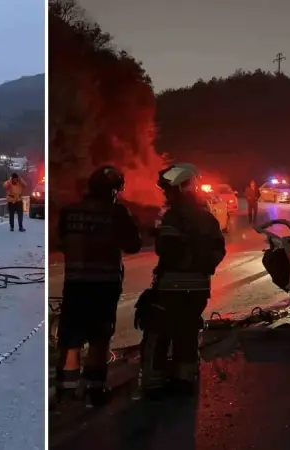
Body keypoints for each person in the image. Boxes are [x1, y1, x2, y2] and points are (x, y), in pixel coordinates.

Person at [134, 163, 226, 400]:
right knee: (187, 333)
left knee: (159, 331)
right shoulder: (207, 218)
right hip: (199, 288)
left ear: (180, 188)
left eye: (168, 190)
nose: (166, 195)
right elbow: (218, 249)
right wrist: (202, 266)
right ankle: (184, 380)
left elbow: (166, 250)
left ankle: (154, 382)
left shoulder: (173, 216)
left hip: (171, 287)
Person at [55, 166, 142, 407]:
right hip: (104, 286)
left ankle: (66, 392)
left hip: (75, 284)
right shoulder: (116, 212)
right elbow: (133, 245)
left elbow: (60, 241)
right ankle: (94, 392)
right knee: (99, 338)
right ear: (114, 191)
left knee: (71, 338)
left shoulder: (69, 211)